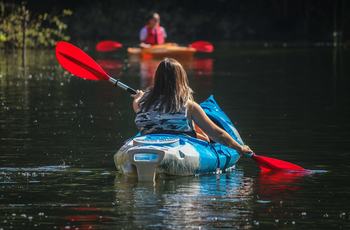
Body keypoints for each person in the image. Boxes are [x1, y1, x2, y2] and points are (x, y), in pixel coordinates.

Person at [131, 58, 253, 155]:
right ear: (180, 79)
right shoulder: (189, 106)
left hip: (145, 144)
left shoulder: (143, 103)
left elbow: (139, 111)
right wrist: (239, 147)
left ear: (157, 78)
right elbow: (217, 134)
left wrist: (138, 99)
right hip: (180, 147)